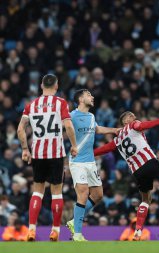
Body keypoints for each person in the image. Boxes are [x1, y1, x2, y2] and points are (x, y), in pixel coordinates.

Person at [94, 111, 159, 240]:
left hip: (137, 172)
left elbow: (105, 149)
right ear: (125, 121)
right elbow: (141, 126)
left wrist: (90, 154)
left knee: (145, 200)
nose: (133, 117)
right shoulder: (132, 126)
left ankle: (137, 231)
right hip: (149, 162)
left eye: (133, 115)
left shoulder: (117, 140)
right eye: (130, 116)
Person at [17, 74, 78, 241]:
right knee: (56, 193)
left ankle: (31, 230)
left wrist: (24, 149)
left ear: (42, 86)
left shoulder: (31, 105)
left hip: (37, 153)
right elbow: (68, 126)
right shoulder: (61, 103)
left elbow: (20, 129)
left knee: (37, 192)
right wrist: (74, 145)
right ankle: (55, 230)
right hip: (56, 153)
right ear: (56, 86)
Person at [65, 89, 120, 242]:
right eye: (89, 95)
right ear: (81, 99)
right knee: (83, 194)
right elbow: (65, 127)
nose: (93, 97)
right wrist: (73, 144)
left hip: (90, 162)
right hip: (77, 162)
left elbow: (96, 129)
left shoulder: (91, 116)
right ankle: (77, 234)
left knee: (98, 195)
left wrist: (114, 130)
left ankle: (73, 222)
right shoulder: (72, 115)